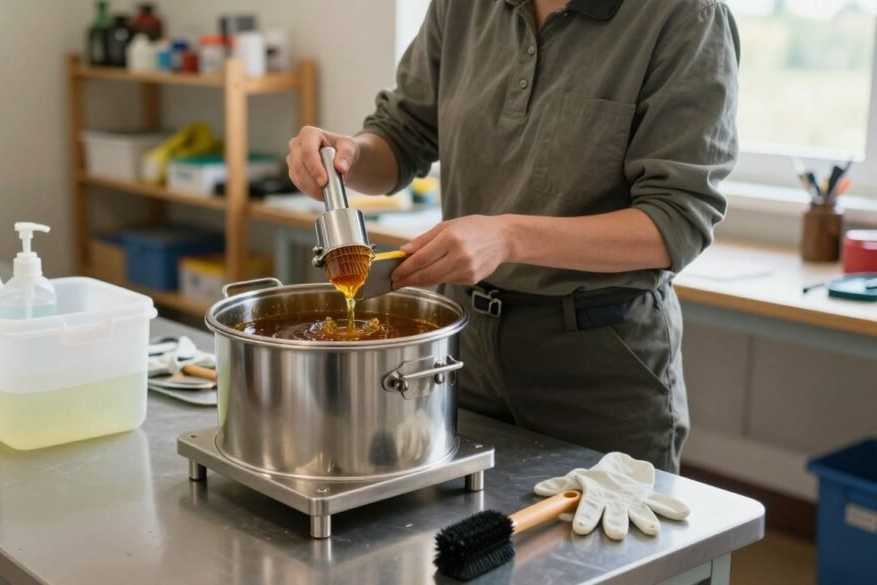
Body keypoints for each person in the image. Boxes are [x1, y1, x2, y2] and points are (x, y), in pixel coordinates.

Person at [285, 0, 739, 473]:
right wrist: (350, 157)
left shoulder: (685, 17)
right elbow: (403, 136)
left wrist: (506, 238)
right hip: (462, 349)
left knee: (601, 542)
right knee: (459, 538)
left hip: (599, 362)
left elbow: (674, 222)